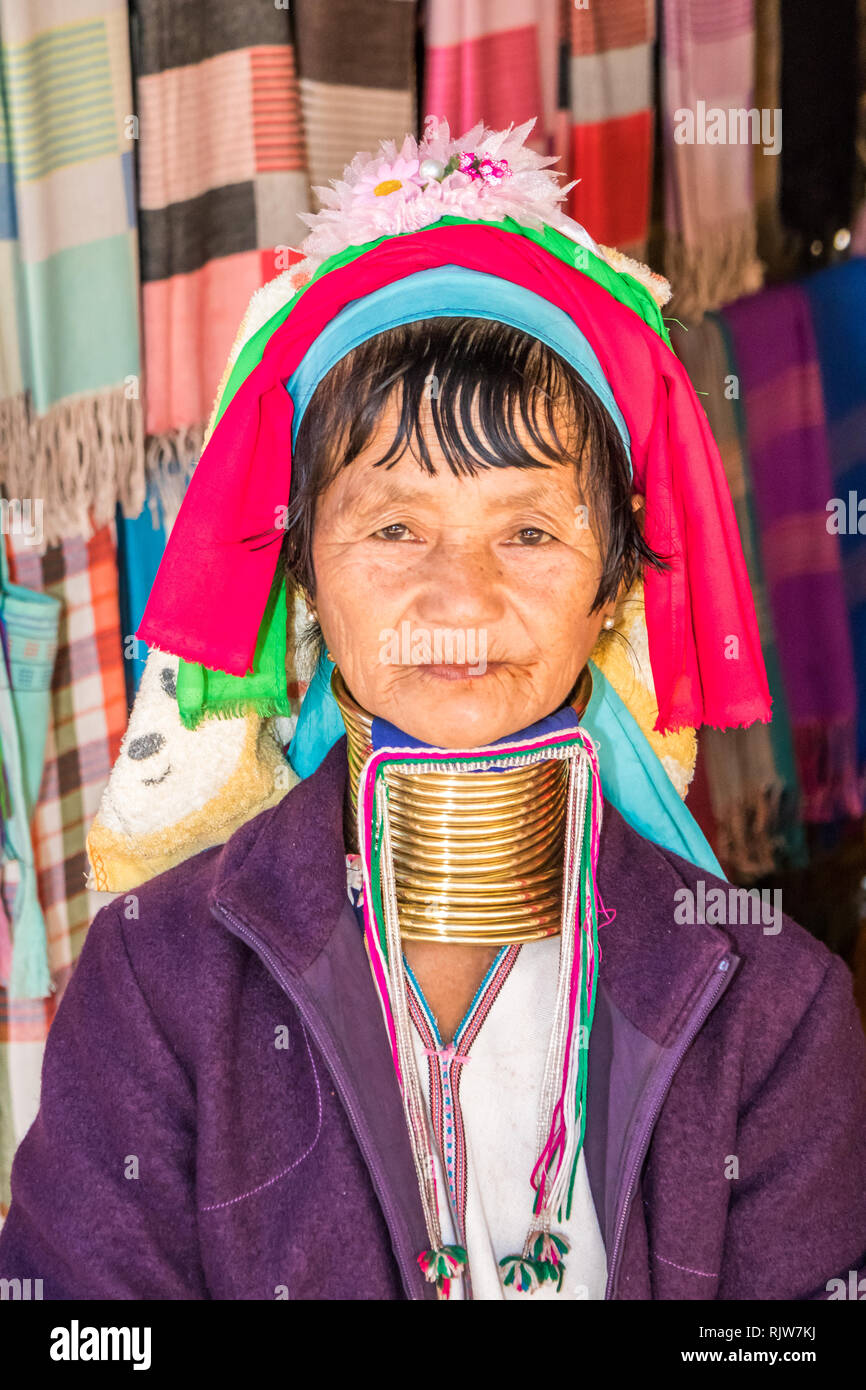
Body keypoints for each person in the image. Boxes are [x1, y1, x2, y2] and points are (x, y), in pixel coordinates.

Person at [1, 119, 865, 1301]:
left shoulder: (771, 1012)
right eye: (393, 527)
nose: (457, 596)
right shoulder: (157, 989)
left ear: (612, 588)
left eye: (526, 530)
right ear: (303, 568)